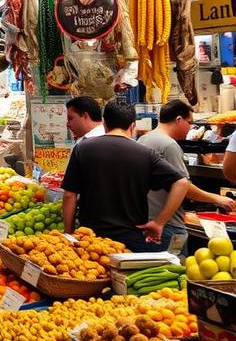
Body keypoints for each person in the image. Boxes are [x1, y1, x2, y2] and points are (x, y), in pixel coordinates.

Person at [61, 100, 189, 252]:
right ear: (133, 126)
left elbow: (70, 195)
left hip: (91, 240)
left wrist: (69, 234)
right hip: (131, 241)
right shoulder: (146, 154)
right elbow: (181, 184)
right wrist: (159, 222)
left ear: (104, 123)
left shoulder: (83, 148)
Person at [137, 100, 236, 254]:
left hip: (147, 219)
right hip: (168, 226)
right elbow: (183, 186)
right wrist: (218, 199)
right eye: (189, 122)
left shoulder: (143, 140)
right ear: (178, 120)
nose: (190, 127)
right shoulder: (169, 145)